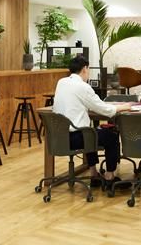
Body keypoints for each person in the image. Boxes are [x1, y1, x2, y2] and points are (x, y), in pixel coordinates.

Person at [53, 56, 131, 187]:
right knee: (111, 136)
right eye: (88, 69)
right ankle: (110, 176)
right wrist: (123, 107)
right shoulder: (83, 86)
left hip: (59, 137)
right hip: (76, 137)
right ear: (84, 69)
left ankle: (93, 173)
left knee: (91, 132)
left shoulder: (61, 82)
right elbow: (103, 109)